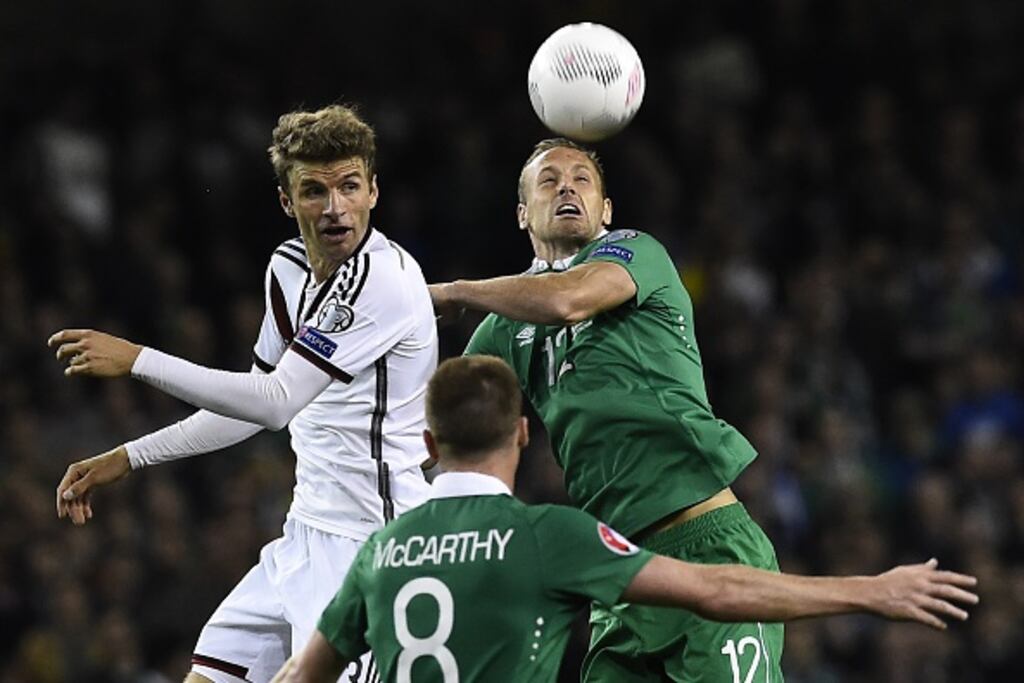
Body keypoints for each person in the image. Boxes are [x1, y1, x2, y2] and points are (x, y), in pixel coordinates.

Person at [271, 355, 978, 683]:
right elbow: (716, 592)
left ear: (428, 445)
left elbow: (304, 677)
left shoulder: (382, 553)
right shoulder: (548, 537)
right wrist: (868, 590)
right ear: (523, 433)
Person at [48, 104, 437, 683]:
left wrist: (138, 360)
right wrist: (129, 455)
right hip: (303, 535)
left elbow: (275, 403)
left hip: (369, 547)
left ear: (373, 191)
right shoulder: (287, 268)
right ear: (287, 201)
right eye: (314, 191)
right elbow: (251, 404)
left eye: (349, 187)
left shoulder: (381, 281)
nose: (335, 208)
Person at [426, 137, 781, 680]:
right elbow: (444, 430)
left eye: (581, 179)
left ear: (606, 210)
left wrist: (454, 293)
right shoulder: (501, 330)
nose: (567, 185)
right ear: (523, 214)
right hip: (620, 578)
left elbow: (567, 299)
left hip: (708, 548)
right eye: (549, 180)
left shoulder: (636, 253)